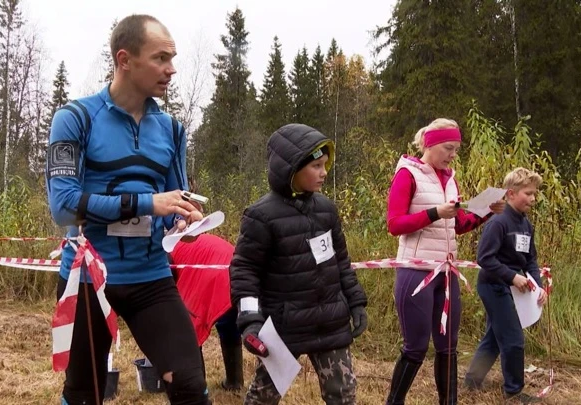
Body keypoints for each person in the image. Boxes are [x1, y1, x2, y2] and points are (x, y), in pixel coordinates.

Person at [46, 14, 210, 405]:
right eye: (160, 58)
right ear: (125, 59)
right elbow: (64, 207)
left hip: (151, 277)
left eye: (173, 58)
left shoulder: (172, 129)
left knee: (189, 384)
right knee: (86, 394)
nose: (171, 70)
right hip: (89, 279)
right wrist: (148, 204)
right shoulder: (75, 119)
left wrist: (183, 217)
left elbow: (172, 200)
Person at [230, 123, 368, 405]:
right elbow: (245, 272)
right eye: (316, 166)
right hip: (284, 327)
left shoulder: (327, 210)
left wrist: (356, 301)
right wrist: (250, 322)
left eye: (325, 165)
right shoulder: (260, 216)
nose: (324, 173)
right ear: (291, 169)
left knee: (344, 397)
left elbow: (341, 261)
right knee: (262, 399)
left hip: (331, 323)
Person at [384, 118, 505, 405]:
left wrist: (488, 210)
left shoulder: (449, 178)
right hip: (416, 271)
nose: (453, 155)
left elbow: (459, 223)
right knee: (415, 347)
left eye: (456, 150)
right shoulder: (407, 174)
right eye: (449, 148)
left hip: (446, 272)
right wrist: (435, 213)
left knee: (448, 346)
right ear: (431, 144)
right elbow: (394, 223)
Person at [463, 167, 547, 404]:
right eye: (528, 193)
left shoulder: (526, 225)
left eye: (534, 194)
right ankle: (514, 391)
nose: (533, 199)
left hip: (513, 288)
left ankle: (472, 380)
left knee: (493, 337)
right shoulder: (498, 222)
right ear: (510, 193)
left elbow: (530, 259)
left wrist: (538, 286)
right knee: (513, 338)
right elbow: (485, 258)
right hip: (493, 286)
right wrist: (511, 276)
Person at [169, 234, 244, 392]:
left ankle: (198, 390)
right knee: (229, 323)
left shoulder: (166, 250)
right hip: (238, 273)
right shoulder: (185, 239)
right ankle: (234, 382)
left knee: (190, 329)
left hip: (212, 273)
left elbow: (169, 282)